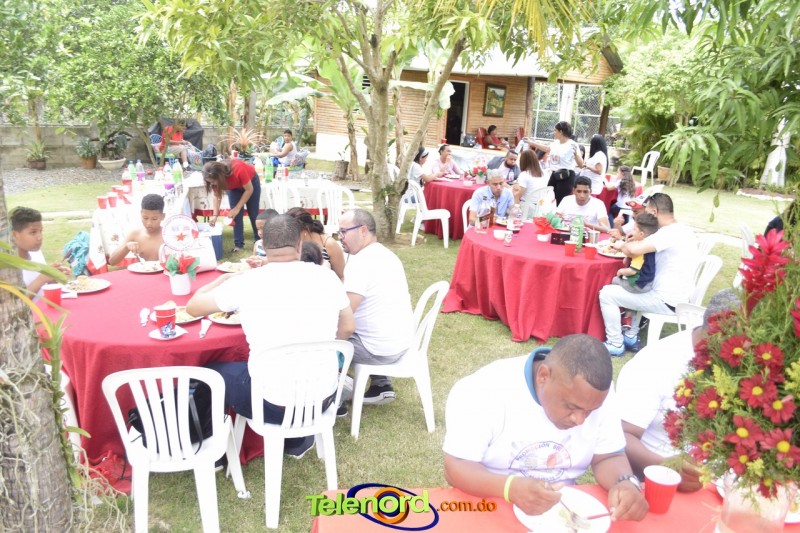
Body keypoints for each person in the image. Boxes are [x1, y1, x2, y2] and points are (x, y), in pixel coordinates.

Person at [186, 214, 355, 458]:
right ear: (300, 245)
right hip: (324, 397)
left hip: (271, 404)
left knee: (209, 371)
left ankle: (213, 451)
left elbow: (193, 307)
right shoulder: (327, 277)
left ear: (263, 246)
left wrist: (222, 279)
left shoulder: (248, 281)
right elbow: (348, 327)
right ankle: (296, 439)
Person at [443, 334, 648, 521]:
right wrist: (509, 488)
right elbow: (456, 465)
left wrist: (625, 482)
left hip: (560, 515)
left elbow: (609, 456)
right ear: (543, 376)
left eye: (590, 411)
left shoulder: (595, 396)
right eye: (571, 407)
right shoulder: (483, 390)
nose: (580, 420)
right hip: (491, 502)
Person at [617, 289, 741, 488]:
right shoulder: (655, 362)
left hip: (729, 486)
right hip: (663, 483)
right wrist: (667, 469)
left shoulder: (750, 365)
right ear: (715, 329)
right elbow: (621, 436)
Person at [600, 193, 697, 356]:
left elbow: (633, 251)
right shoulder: (683, 229)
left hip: (666, 300)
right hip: (679, 297)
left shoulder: (667, 233)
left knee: (607, 294)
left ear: (654, 212)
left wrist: (622, 244)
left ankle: (615, 343)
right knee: (638, 286)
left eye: (647, 212)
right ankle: (630, 335)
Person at [337, 209, 414, 404]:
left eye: (344, 232)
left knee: (322, 335)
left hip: (377, 350)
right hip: (400, 343)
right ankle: (381, 384)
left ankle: (337, 391)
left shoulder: (361, 262)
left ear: (362, 230)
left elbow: (345, 315)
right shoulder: (386, 255)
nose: (340, 237)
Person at [609, 213, 659, 333]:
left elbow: (632, 271)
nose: (632, 231)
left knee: (615, 280)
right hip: (647, 282)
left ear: (641, 234)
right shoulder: (646, 245)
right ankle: (629, 314)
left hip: (639, 285)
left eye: (635, 229)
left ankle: (625, 314)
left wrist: (620, 272)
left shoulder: (639, 251)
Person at [202, 158, 262, 253]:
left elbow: (249, 190)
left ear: (220, 176)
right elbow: (217, 196)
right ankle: (238, 244)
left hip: (251, 183)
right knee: (235, 216)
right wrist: (215, 216)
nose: (212, 184)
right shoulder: (214, 177)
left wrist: (237, 208)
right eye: (210, 182)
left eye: (213, 182)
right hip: (234, 187)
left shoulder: (238, 168)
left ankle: (259, 241)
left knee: (253, 214)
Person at [10, 206, 72, 298]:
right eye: (33, 232)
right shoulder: (8, 267)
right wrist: (42, 278)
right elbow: (18, 302)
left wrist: (53, 275)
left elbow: (44, 288)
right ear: (15, 235)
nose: (40, 237)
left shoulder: (36, 253)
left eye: (40, 231)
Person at [528, 121, 584, 206]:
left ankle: (558, 214)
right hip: (555, 174)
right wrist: (532, 143)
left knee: (560, 201)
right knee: (548, 196)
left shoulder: (572, 144)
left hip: (566, 176)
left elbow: (581, 164)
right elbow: (547, 149)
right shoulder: (556, 143)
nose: (553, 132)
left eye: (555, 130)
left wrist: (576, 154)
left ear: (560, 132)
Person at [286, 207, 346, 281]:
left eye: (293, 232)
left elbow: (341, 276)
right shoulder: (291, 243)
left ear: (305, 230)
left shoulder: (328, 244)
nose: (290, 236)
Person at [108, 194, 166, 266]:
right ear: (141, 214)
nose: (149, 223)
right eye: (145, 218)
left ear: (163, 216)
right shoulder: (135, 234)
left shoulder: (168, 235)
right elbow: (112, 262)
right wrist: (126, 247)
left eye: (154, 219)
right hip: (142, 272)